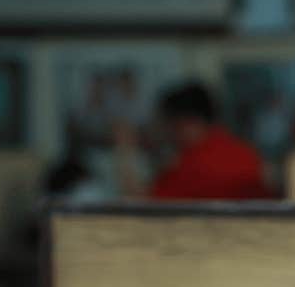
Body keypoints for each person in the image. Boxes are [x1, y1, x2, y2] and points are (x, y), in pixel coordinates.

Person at [113, 82, 271, 201]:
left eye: (167, 123)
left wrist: (125, 149)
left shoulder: (195, 163)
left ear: (186, 124)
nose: (166, 132)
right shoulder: (244, 151)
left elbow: (140, 203)